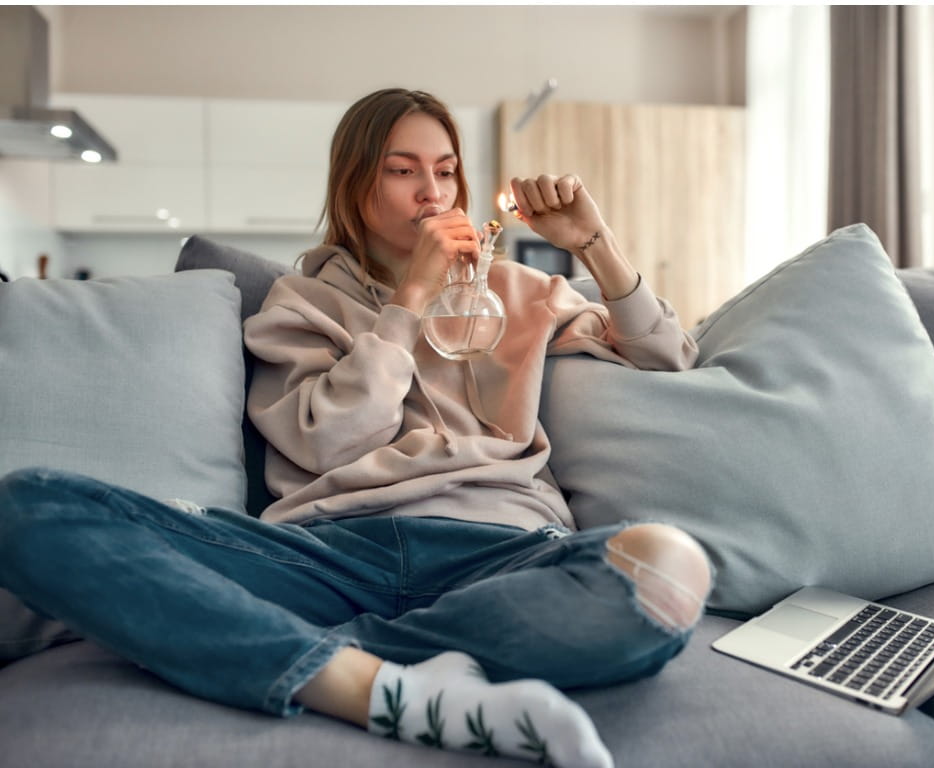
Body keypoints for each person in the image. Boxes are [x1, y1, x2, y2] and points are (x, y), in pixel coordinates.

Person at [0, 88, 711, 768]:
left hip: (500, 553)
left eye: (445, 170)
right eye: (402, 171)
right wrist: (410, 298)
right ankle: (381, 687)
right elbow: (330, 439)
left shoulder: (516, 291)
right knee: (27, 506)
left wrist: (595, 244)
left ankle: (327, 658)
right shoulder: (299, 304)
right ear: (353, 187)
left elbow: (667, 357)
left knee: (670, 566)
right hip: (330, 556)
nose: (432, 192)